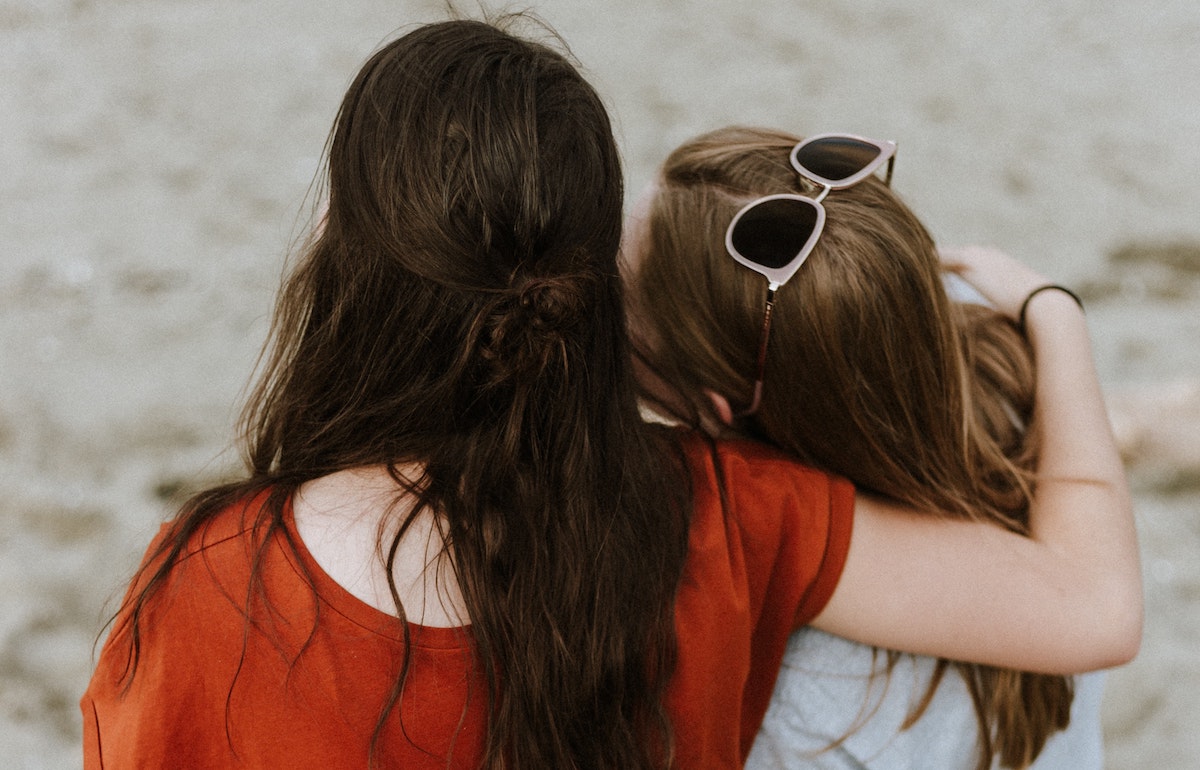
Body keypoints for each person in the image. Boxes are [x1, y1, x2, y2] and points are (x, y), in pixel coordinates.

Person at [82, 18, 1139, 770]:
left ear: (340, 257)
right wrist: (1050, 310)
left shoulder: (204, 593)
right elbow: (1091, 603)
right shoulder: (730, 515)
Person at [621, 125, 1138, 769]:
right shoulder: (1004, 352)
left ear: (715, 408)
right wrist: (1054, 311)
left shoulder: (807, 684)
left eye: (618, 291)